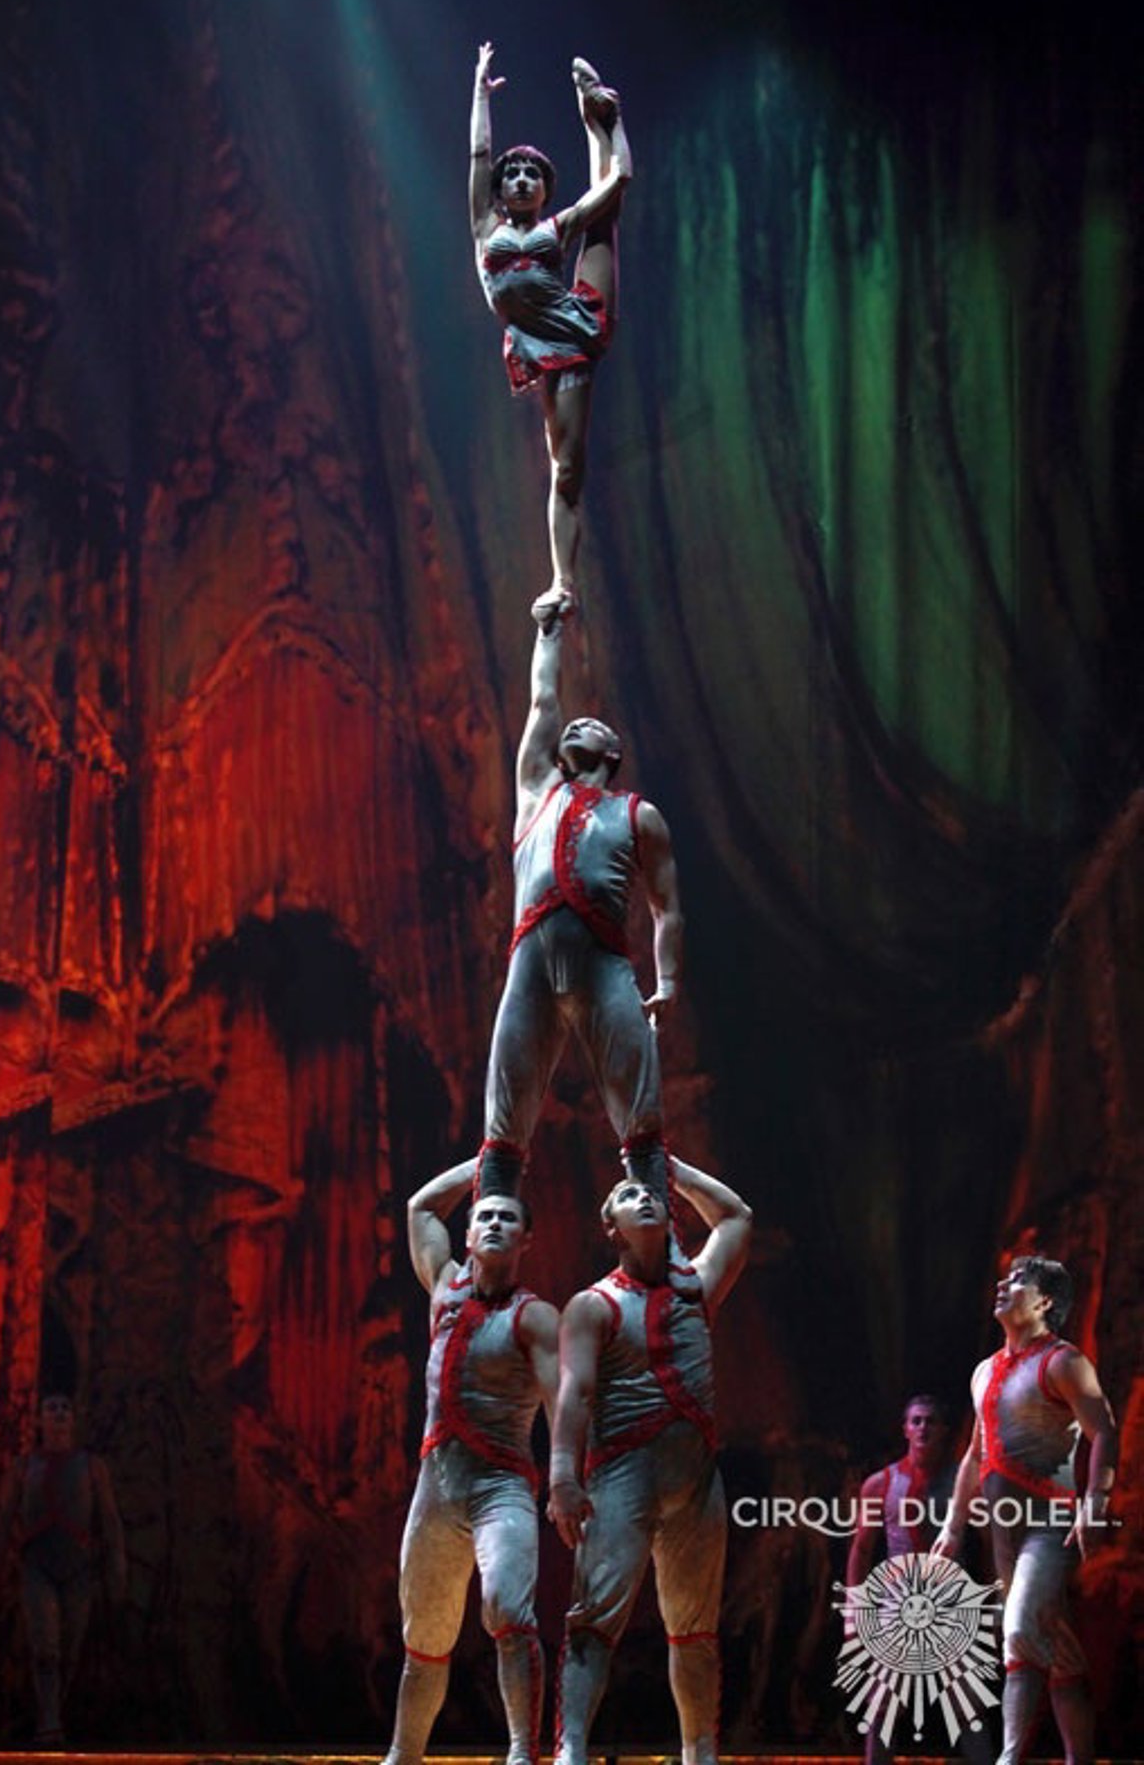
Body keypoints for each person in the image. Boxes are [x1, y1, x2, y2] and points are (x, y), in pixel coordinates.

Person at [476, 589, 682, 1219]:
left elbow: (667, 908)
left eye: (588, 726)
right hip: (531, 965)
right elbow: (544, 700)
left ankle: (660, 1246)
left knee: (640, 1112)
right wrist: (549, 633)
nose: (573, 725)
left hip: (602, 966)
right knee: (504, 1116)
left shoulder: (638, 815)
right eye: (571, 727)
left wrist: (668, 981)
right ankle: (489, 1252)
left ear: (612, 754)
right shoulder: (535, 792)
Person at [547, 1158, 752, 1765]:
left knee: (695, 1631)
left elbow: (737, 1217)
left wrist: (670, 1169)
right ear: (609, 1227)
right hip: (620, 1474)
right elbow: (575, 1392)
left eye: (651, 1195)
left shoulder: (696, 1286)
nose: (644, 1199)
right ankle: (571, 1750)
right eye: (628, 1196)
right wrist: (562, 1477)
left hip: (696, 1481)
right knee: (593, 1621)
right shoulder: (592, 1305)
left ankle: (699, 1752)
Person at [381, 1160, 559, 1765]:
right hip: (437, 1488)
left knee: (508, 1610)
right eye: (485, 1216)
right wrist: (484, 1164)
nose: (495, 1224)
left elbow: (563, 1401)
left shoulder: (535, 1317)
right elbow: (420, 1208)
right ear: (468, 1233)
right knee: (424, 1640)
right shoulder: (445, 1288)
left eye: (508, 1218)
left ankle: (522, 1753)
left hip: (501, 1487)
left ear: (526, 1239)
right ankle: (404, 1755)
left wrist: (565, 1477)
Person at [932, 1256, 1118, 1765]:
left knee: (1018, 1632)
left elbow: (1104, 1430)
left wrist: (1094, 1502)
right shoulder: (984, 1371)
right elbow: (976, 1454)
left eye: (1018, 1281)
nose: (1002, 1284)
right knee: (1057, 1647)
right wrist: (953, 1527)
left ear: (1044, 1302)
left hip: (1049, 1526)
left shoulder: (1062, 1362)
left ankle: (1008, 1758)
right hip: (1004, 1535)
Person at [470, 42, 631, 599]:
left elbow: (618, 182)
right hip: (537, 343)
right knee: (561, 469)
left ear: (544, 189)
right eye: (512, 173)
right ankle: (562, 583)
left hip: (577, 327)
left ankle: (596, 115)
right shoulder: (485, 227)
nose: (519, 179)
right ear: (498, 190)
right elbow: (479, 155)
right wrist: (480, 94)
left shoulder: (554, 227)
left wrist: (616, 130)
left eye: (531, 174)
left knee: (604, 220)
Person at [847, 1395, 993, 1765]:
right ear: (905, 1430)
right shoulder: (880, 1484)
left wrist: (995, 1603)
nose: (923, 1427)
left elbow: (990, 1546)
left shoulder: (965, 1484)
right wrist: (854, 1611)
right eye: (916, 1421)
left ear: (944, 1430)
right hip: (898, 1607)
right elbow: (861, 1550)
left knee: (968, 1707)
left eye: (930, 1420)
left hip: (951, 1606)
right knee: (882, 1707)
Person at [0, 1390, 126, 1748]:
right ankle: (49, 1722)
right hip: (38, 1567)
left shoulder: (92, 1466)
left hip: (78, 1568)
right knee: (45, 1646)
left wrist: (117, 1568)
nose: (59, 1413)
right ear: (39, 1420)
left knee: (70, 1648)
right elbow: (4, 1520)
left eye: (65, 1408)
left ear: (73, 1419)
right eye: (51, 1408)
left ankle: (52, 1712)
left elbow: (110, 1521)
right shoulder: (24, 1467)